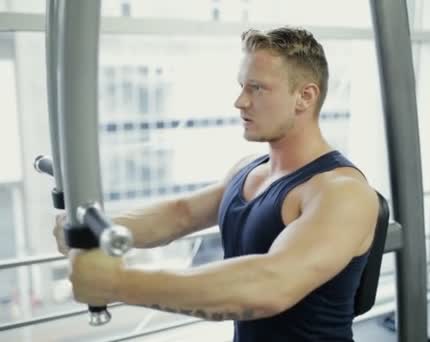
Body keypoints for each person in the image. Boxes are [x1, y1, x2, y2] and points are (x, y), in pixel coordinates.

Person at [54, 26, 379, 342]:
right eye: (242, 86)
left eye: (257, 88)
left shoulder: (341, 192)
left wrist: (117, 283)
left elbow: (271, 285)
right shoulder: (250, 170)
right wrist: (91, 232)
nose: (240, 101)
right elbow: (180, 214)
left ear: (304, 97)